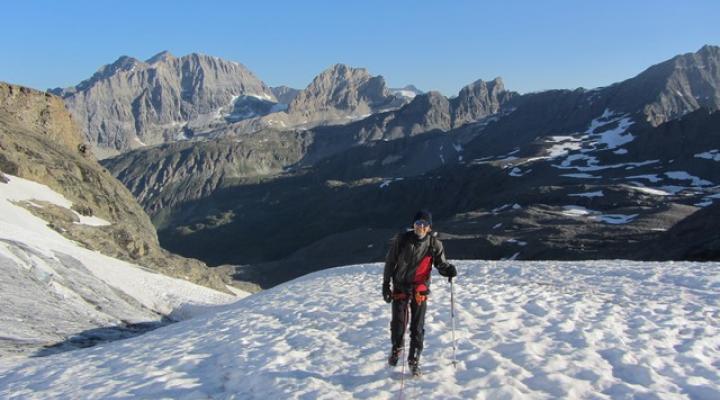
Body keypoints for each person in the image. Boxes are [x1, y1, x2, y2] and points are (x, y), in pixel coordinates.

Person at [382, 209, 457, 376]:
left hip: (419, 289)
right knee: (398, 323)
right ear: (413, 225)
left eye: (424, 224)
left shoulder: (434, 244)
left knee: (417, 326)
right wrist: (386, 285)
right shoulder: (402, 240)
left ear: (429, 227)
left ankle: (414, 359)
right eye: (418, 224)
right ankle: (397, 347)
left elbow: (440, 264)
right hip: (400, 286)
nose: (420, 227)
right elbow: (390, 262)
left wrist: (449, 271)